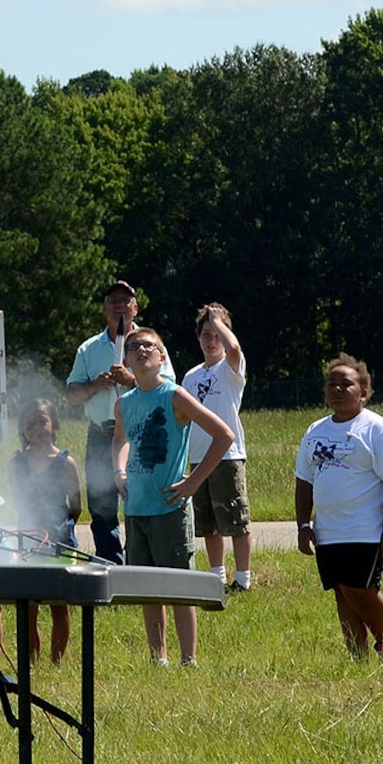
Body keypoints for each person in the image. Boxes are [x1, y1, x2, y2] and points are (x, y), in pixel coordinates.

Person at [113, 327, 234, 667]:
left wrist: (194, 482)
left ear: (162, 357)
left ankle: (188, 659)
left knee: (180, 586)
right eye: (133, 346)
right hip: (136, 509)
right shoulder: (124, 403)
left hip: (169, 507)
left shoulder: (174, 396)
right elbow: (120, 440)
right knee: (147, 588)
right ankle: (158, 658)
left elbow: (223, 436)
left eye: (148, 346)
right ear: (126, 361)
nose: (141, 350)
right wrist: (118, 470)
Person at [295, 354, 383, 664]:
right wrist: (303, 526)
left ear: (364, 393)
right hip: (327, 532)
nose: (338, 389)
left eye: (347, 384)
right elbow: (304, 482)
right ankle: (358, 660)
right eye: (332, 384)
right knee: (342, 594)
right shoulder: (314, 431)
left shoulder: (378, 430)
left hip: (365, 530)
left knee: (362, 591)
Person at [66, 281, 172, 564]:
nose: (120, 306)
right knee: (101, 506)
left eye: (126, 300)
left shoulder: (150, 343)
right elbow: (71, 394)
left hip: (141, 435)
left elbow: (171, 386)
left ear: (135, 307)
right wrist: (94, 386)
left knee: (142, 499)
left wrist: (132, 380)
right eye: (113, 300)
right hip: (102, 434)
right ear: (104, 309)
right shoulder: (89, 349)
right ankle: (111, 567)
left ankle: (144, 562)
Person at [181, 303, 251, 591]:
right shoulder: (191, 376)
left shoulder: (231, 368)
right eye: (206, 334)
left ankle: (243, 579)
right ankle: (216, 576)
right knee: (208, 522)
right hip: (198, 456)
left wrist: (218, 320)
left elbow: (234, 348)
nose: (212, 341)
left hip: (227, 456)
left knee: (234, 518)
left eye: (217, 335)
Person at [9, 397, 81, 663]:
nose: (36, 428)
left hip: (61, 542)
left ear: (54, 424)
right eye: (30, 423)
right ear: (22, 430)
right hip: (28, 542)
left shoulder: (66, 463)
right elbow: (19, 502)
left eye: (42, 421)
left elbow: (76, 507)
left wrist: (57, 525)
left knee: (58, 606)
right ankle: (31, 661)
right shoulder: (16, 464)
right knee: (28, 607)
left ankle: (56, 661)